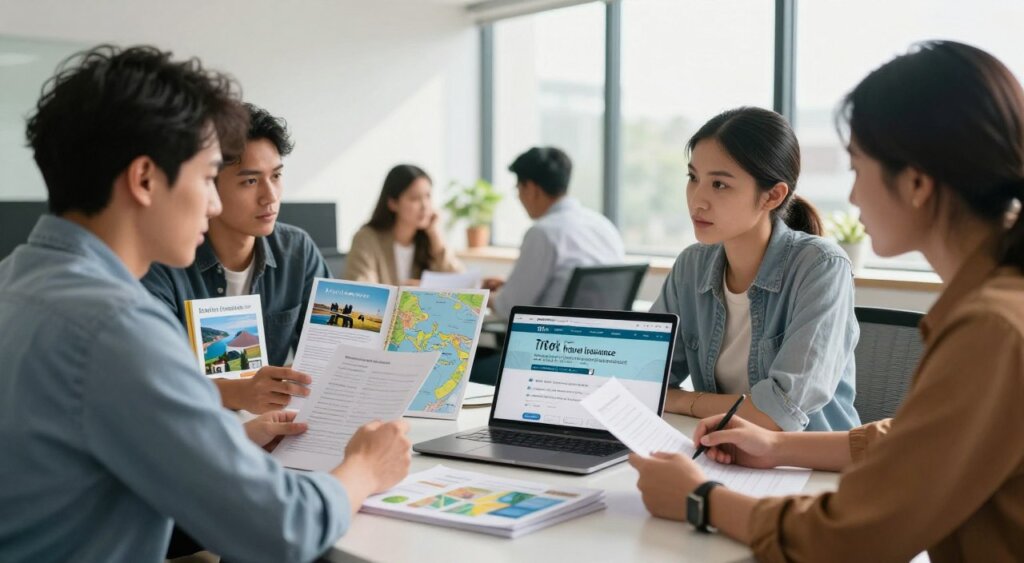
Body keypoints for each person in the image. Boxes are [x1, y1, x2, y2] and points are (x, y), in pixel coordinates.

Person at [0, 44, 411, 563]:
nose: (215, 203)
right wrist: (365, 469)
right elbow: (281, 529)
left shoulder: (15, 281)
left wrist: (226, 446)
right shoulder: (117, 327)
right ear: (145, 179)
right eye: (207, 177)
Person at [631, 40, 1024, 561]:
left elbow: (855, 535)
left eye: (858, 170)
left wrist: (700, 499)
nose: (854, 196)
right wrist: (778, 447)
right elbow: (912, 439)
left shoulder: (993, 327)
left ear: (916, 183)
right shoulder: (998, 305)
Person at [650, 107, 859, 432]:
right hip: (723, 451)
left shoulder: (821, 267)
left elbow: (779, 414)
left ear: (772, 196)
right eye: (693, 178)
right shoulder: (691, 266)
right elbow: (646, 380)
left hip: (805, 465)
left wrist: (682, 400)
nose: (697, 200)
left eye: (719, 184)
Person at [143, 103, 325, 413]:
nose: (270, 196)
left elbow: (331, 348)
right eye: (250, 181)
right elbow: (150, 377)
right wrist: (236, 393)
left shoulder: (297, 250)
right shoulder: (163, 260)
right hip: (191, 432)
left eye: (276, 176)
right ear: (207, 184)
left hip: (278, 430)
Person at [486, 146, 625, 318]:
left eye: (518, 188)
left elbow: (508, 307)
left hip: (550, 341)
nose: (519, 197)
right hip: (602, 338)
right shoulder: (603, 225)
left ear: (531, 188)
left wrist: (482, 297)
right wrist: (510, 286)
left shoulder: (543, 233)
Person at [344, 164, 461, 285]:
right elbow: (362, 288)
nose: (425, 206)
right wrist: (407, 289)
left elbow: (460, 284)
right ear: (393, 203)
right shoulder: (366, 239)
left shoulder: (430, 240)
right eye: (415, 198)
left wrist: (435, 236)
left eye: (428, 196)